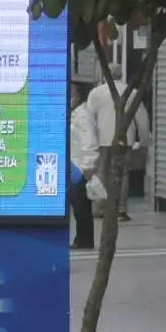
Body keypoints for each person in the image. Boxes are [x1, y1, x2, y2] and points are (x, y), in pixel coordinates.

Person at [87, 64, 152, 222]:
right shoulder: (131, 93)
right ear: (121, 74)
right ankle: (120, 210)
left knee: (102, 173)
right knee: (122, 174)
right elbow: (142, 120)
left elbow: (88, 120)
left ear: (105, 75)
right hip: (125, 140)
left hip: (102, 140)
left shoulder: (96, 93)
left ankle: (101, 208)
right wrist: (144, 141)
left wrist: (89, 142)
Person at [69, 82, 100, 250]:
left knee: (81, 204)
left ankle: (85, 239)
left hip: (80, 166)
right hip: (73, 165)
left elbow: (89, 141)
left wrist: (89, 165)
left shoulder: (83, 115)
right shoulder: (74, 113)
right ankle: (82, 238)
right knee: (77, 204)